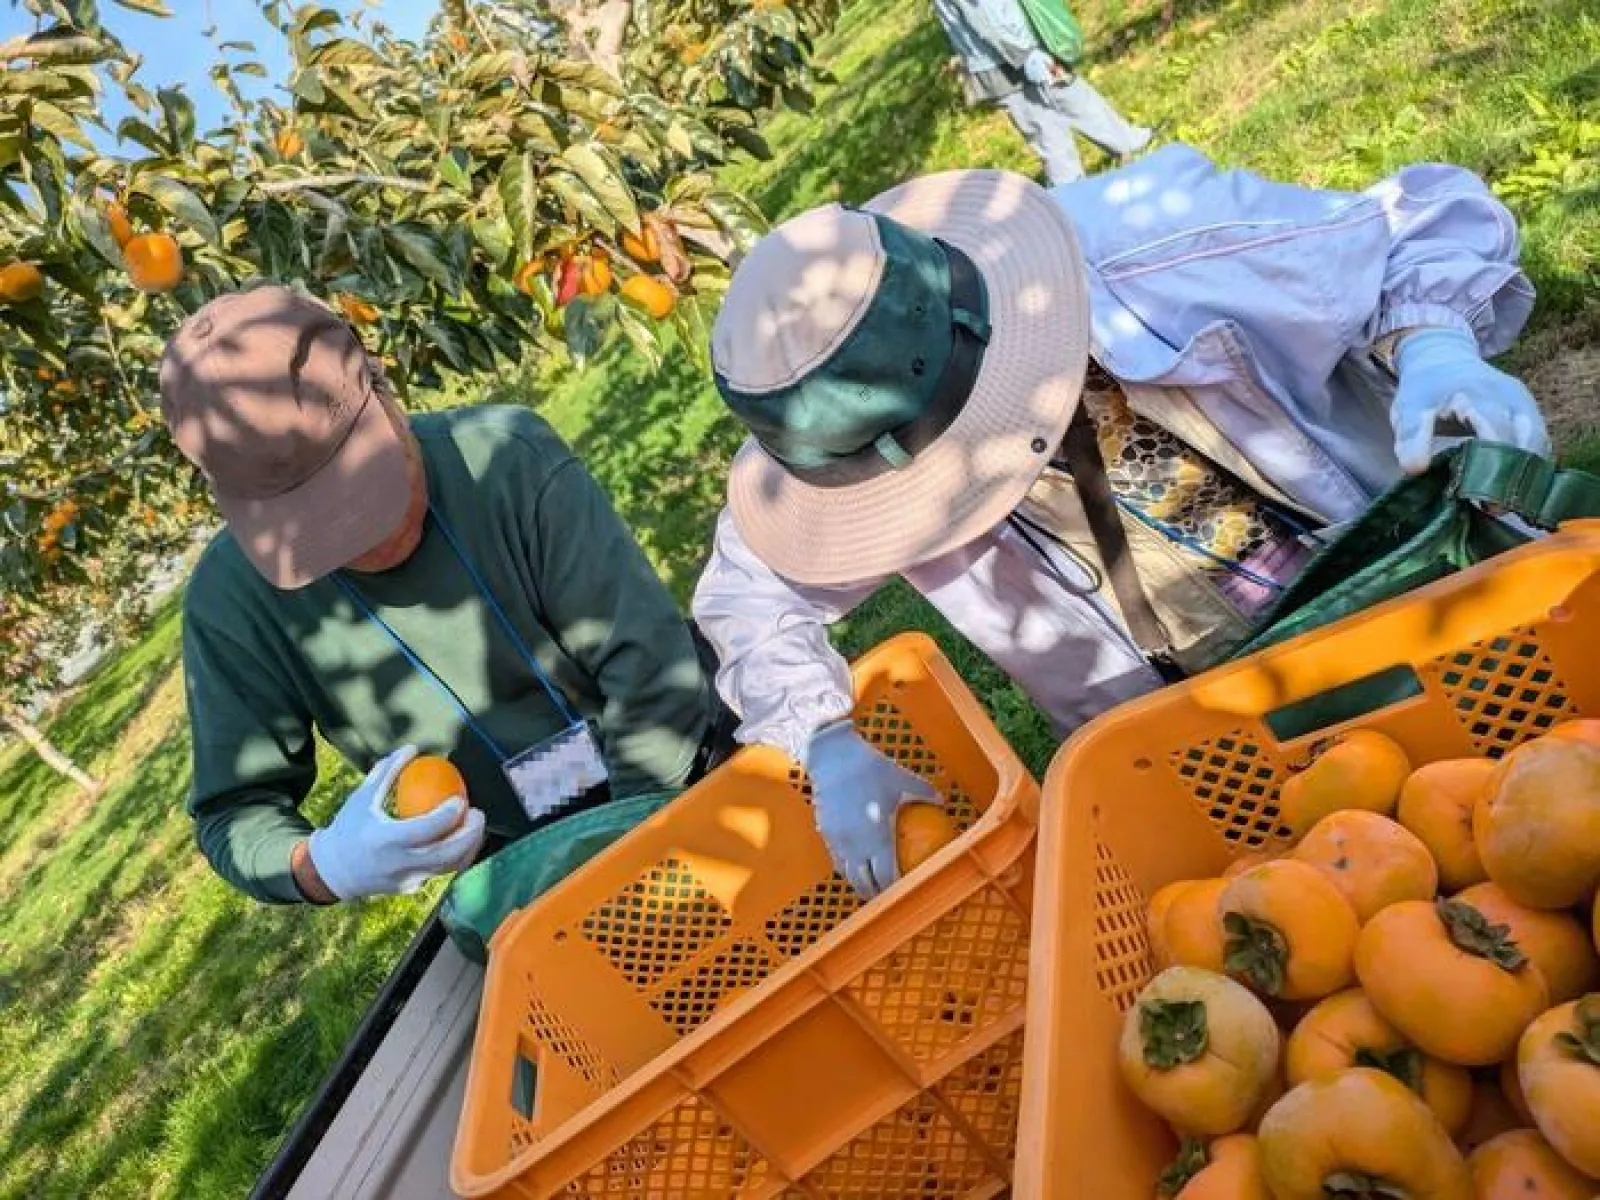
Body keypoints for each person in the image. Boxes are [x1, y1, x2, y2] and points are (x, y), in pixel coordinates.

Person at [691, 145, 1552, 898]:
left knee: (1530, 799)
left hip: (1408, 596)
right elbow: (748, 591)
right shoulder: (823, 425)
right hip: (1199, 738)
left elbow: (1421, 217)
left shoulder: (1149, 244)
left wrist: (1433, 343)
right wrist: (822, 734)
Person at [162, 286, 725, 906]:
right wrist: (323, 865)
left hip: (684, 771)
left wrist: (621, 864)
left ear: (383, 387)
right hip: (524, 869)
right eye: (323, 528)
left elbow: (648, 668)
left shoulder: (507, 461)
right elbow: (234, 811)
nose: (371, 539)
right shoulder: (233, 605)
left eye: (371, 487)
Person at [932, 0, 1150, 185]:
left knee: (1070, 93)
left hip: (1023, 42)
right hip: (1006, 59)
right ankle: (1073, 195)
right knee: (1046, 129)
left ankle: (1126, 141)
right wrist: (1025, 54)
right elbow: (988, 17)